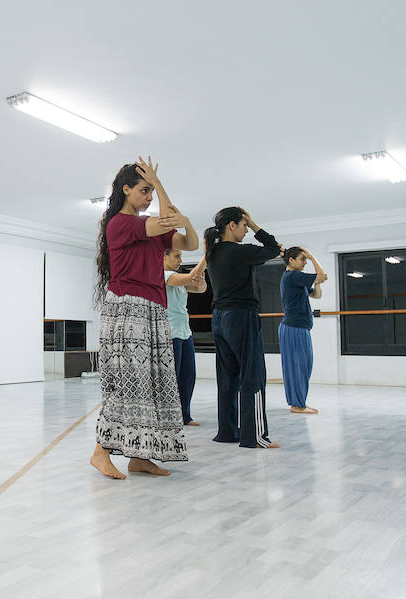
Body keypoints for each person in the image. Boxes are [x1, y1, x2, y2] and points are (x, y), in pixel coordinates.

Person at [90, 157, 199, 479]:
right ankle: (100, 452)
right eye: (144, 190)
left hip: (153, 309)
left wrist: (187, 220)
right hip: (127, 308)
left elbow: (189, 242)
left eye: (152, 191)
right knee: (129, 383)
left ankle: (140, 456)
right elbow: (167, 221)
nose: (149, 197)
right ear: (126, 190)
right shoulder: (121, 224)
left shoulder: (150, 228)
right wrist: (162, 186)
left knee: (154, 384)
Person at [203, 207, 281, 449]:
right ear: (232, 225)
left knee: (227, 377)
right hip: (241, 317)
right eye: (244, 225)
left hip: (219, 319)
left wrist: (250, 222)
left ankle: (227, 432)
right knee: (252, 375)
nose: (246, 230)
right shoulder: (239, 252)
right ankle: (254, 436)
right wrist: (257, 225)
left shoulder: (213, 253)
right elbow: (275, 249)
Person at [278, 247, 328, 414]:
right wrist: (313, 257)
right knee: (298, 367)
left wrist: (316, 282)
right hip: (294, 328)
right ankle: (297, 405)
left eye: (306, 259)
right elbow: (322, 276)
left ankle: (297, 403)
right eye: (302, 259)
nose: (305, 262)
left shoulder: (296, 279)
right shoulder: (293, 275)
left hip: (297, 328)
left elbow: (317, 295)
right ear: (291, 260)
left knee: (302, 366)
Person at [163, 249, 207, 425]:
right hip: (170, 333)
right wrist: (206, 256)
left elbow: (200, 289)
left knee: (188, 376)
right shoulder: (163, 275)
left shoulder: (178, 278)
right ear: (163, 256)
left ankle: (185, 415)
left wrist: (200, 280)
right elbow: (191, 279)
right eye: (177, 256)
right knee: (172, 376)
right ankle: (170, 416)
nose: (180, 260)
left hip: (185, 332)